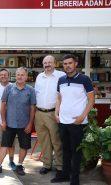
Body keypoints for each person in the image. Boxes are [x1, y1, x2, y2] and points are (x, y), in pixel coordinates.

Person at [51, 54, 94, 185]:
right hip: (63, 121)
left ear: (75, 64)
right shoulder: (61, 80)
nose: (67, 66)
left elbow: (91, 100)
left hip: (77, 122)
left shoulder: (84, 79)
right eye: (65, 64)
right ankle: (65, 174)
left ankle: (75, 179)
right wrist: (56, 113)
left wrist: (82, 116)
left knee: (76, 151)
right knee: (65, 149)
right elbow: (59, 98)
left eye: (70, 63)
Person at [0, 67, 36, 176]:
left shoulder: (31, 90)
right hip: (9, 124)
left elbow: (33, 108)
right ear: (15, 76)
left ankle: (20, 165)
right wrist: (3, 121)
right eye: (18, 75)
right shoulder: (9, 88)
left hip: (24, 125)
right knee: (4, 145)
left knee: (24, 146)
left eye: (22, 75)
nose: (20, 77)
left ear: (26, 76)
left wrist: (30, 123)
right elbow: (3, 106)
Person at [34, 55, 65, 175]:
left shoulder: (61, 76)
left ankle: (60, 166)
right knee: (44, 141)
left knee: (56, 141)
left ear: (55, 63)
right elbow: (37, 94)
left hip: (53, 113)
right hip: (39, 113)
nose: (47, 64)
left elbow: (63, 95)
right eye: (45, 63)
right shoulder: (39, 77)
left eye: (49, 62)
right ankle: (47, 164)